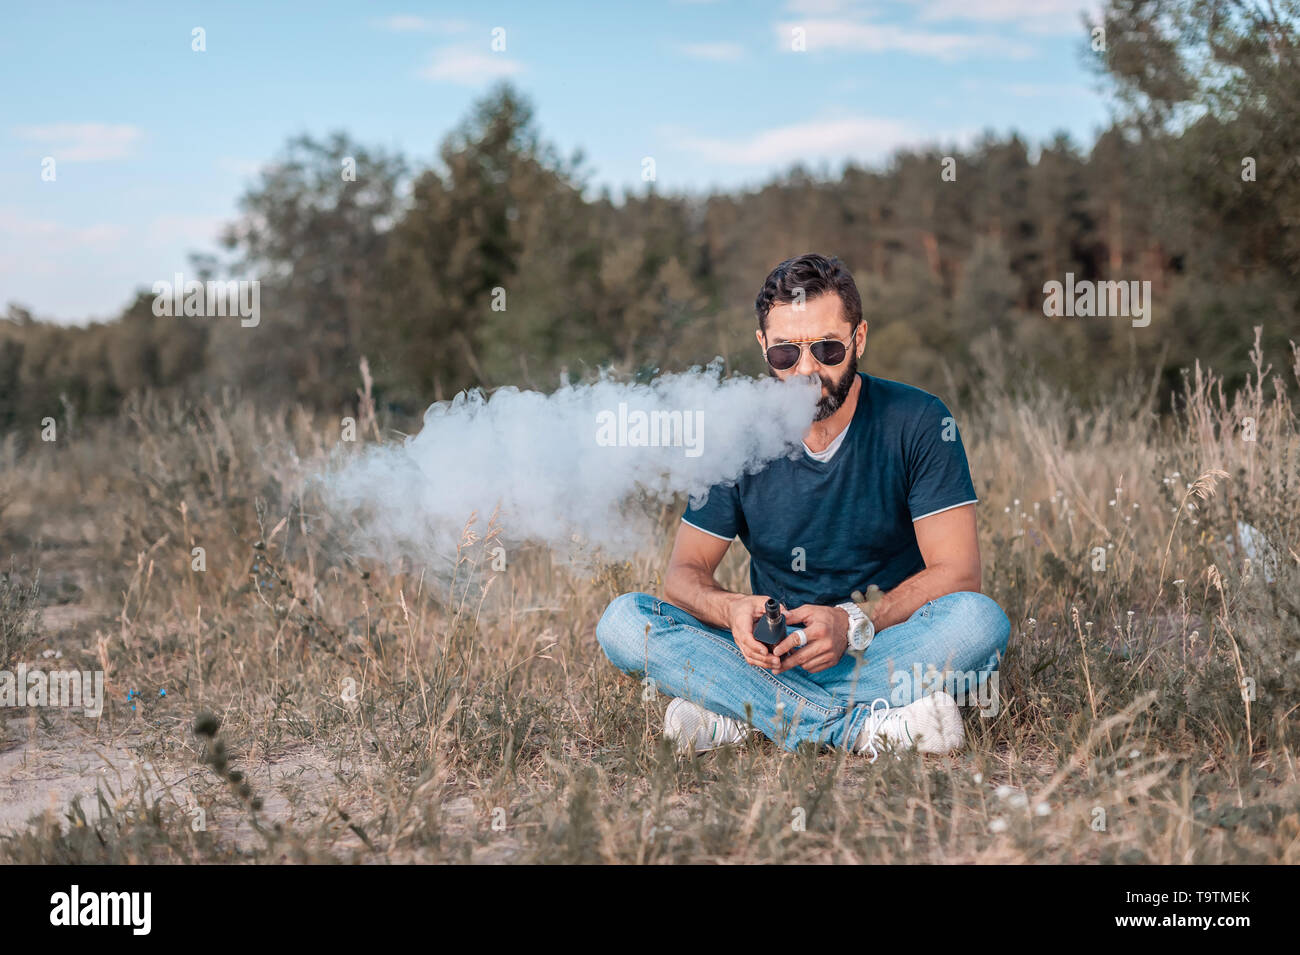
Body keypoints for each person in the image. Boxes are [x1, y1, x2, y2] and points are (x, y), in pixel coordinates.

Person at [596, 253, 1010, 758]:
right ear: (763, 347)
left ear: (858, 339)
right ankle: (861, 728)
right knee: (623, 620)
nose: (807, 369)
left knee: (979, 622)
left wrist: (853, 622)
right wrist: (731, 610)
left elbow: (959, 574)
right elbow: (684, 576)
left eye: (828, 348)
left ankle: (741, 714)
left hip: (882, 642)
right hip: (772, 653)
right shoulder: (735, 435)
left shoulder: (920, 419)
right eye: (785, 354)